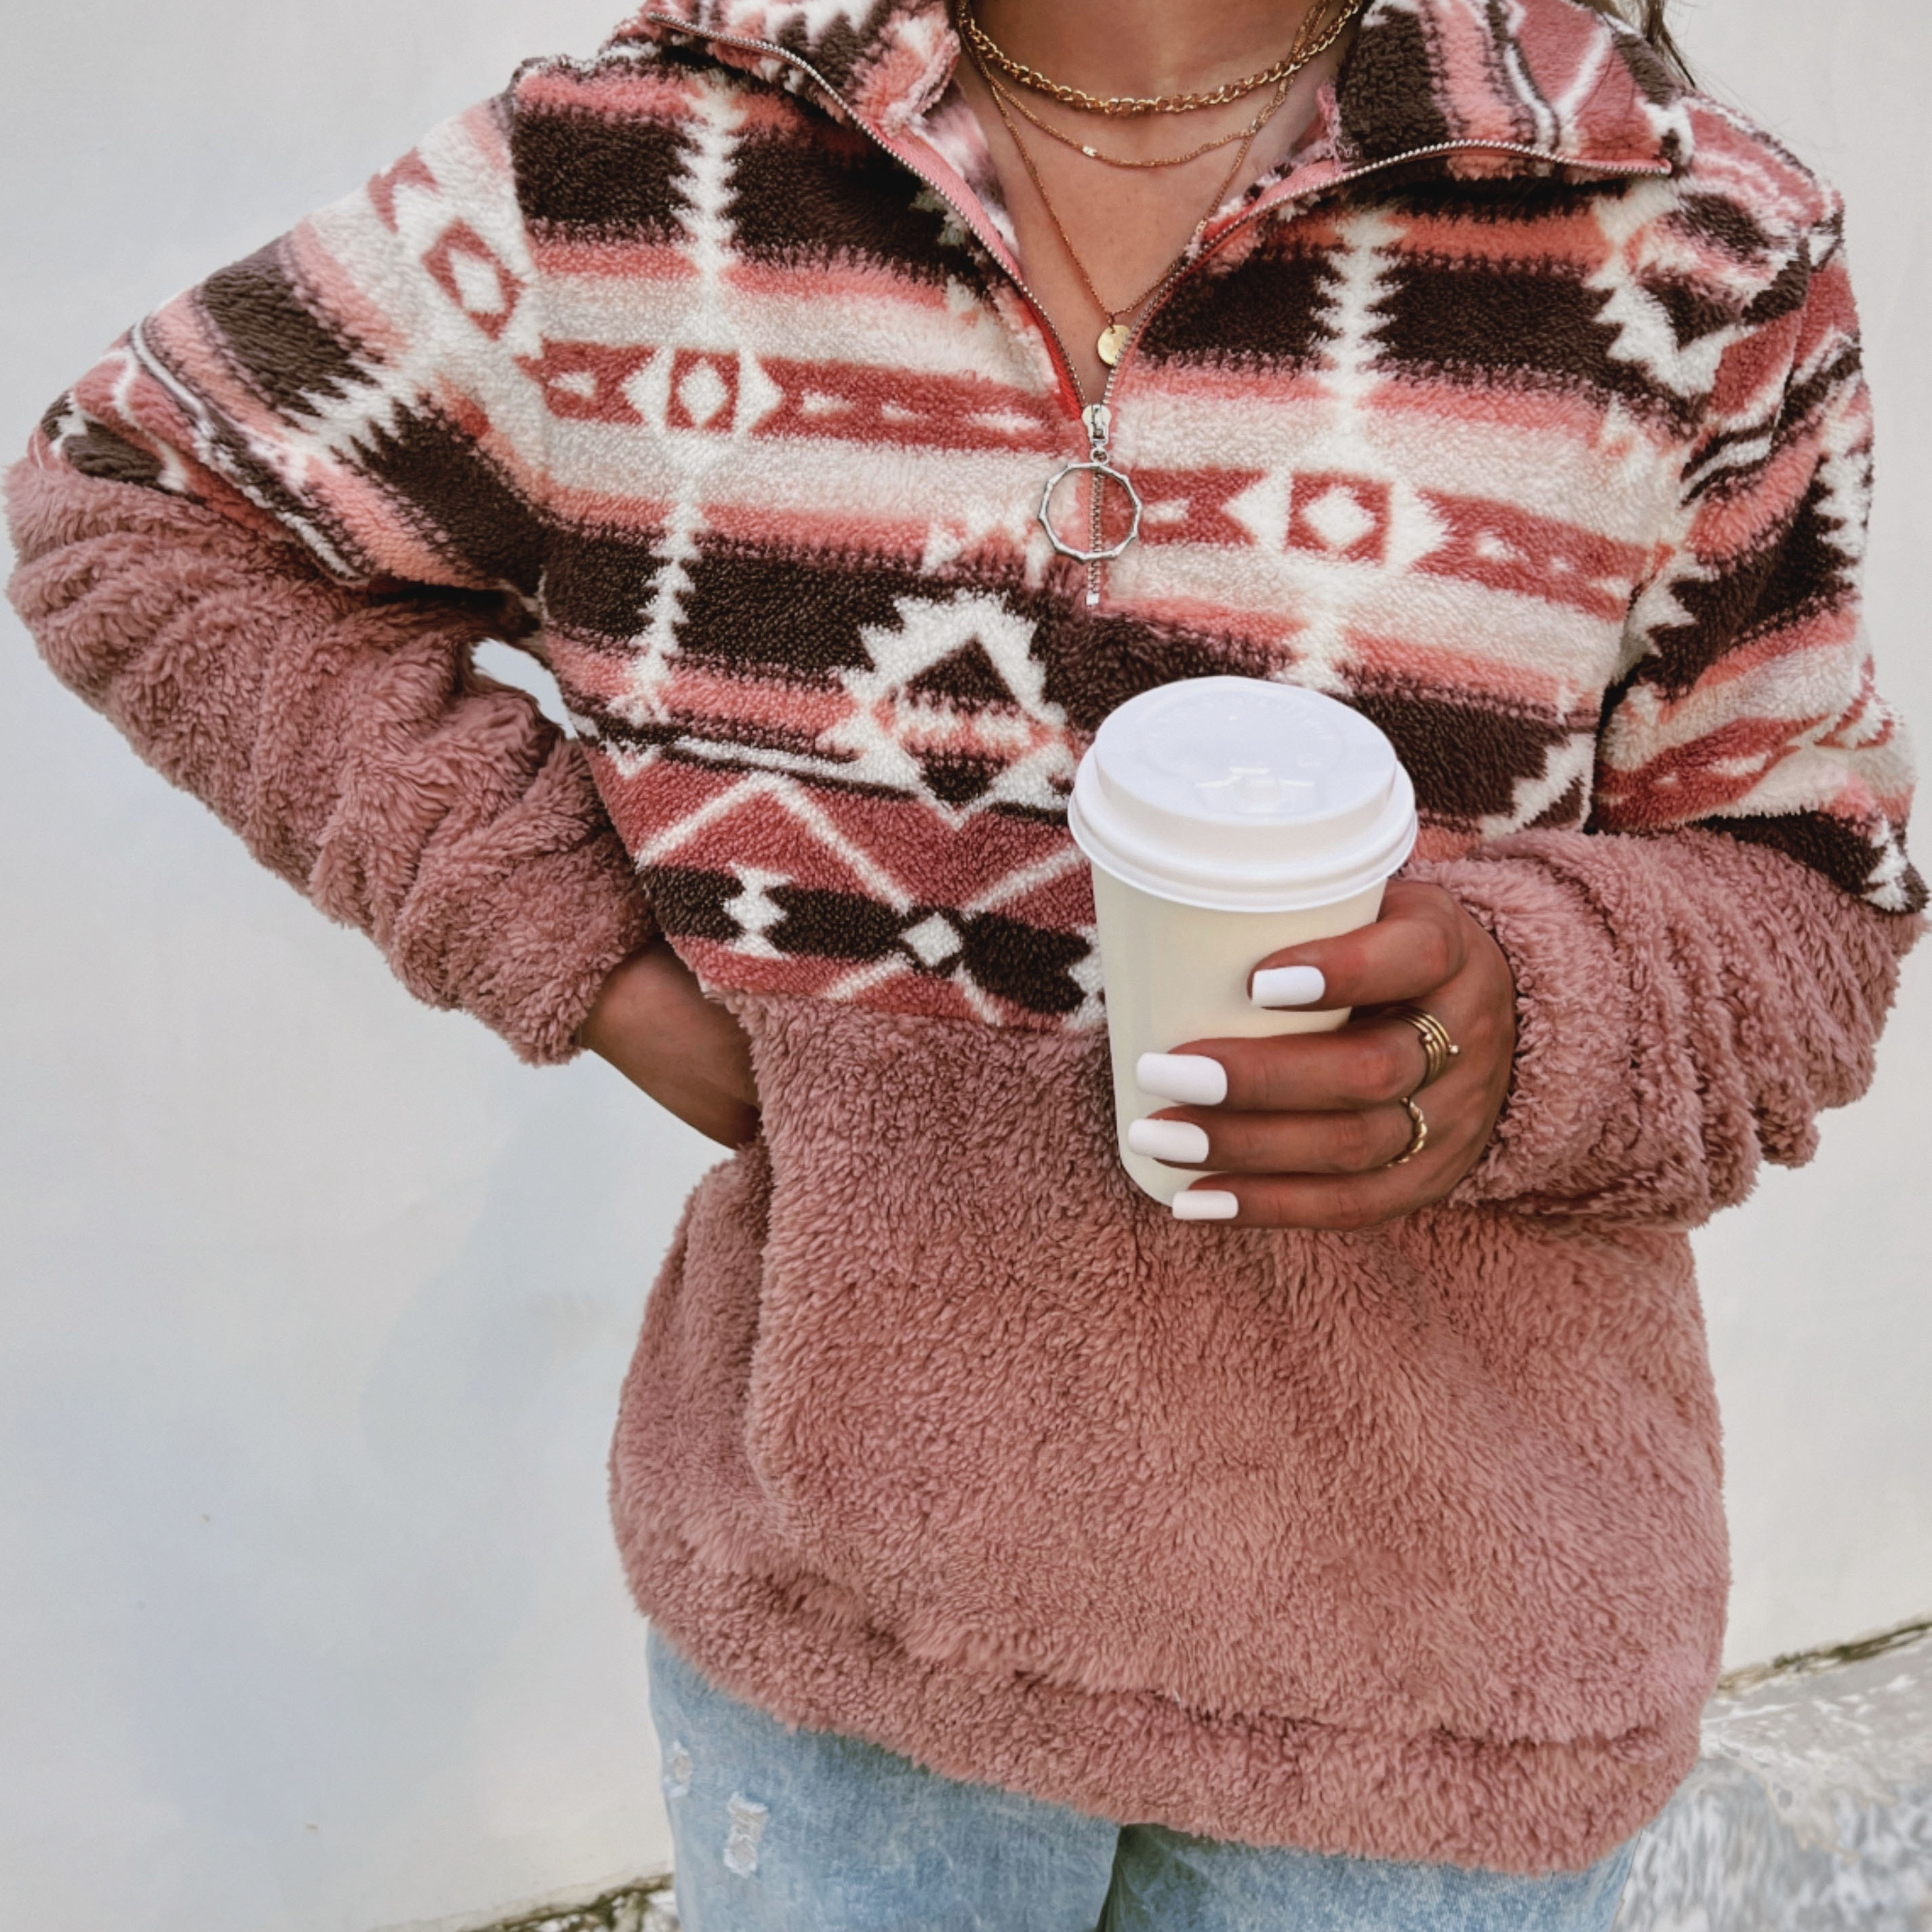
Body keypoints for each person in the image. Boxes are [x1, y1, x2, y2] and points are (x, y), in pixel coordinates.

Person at [7, 0, 1920, 1924]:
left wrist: (1528, 1016)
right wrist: (589, 955)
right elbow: (128, 506)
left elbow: (1809, 884)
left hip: (1444, 1685)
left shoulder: (1682, 236)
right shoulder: (627, 176)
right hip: (847, 1645)